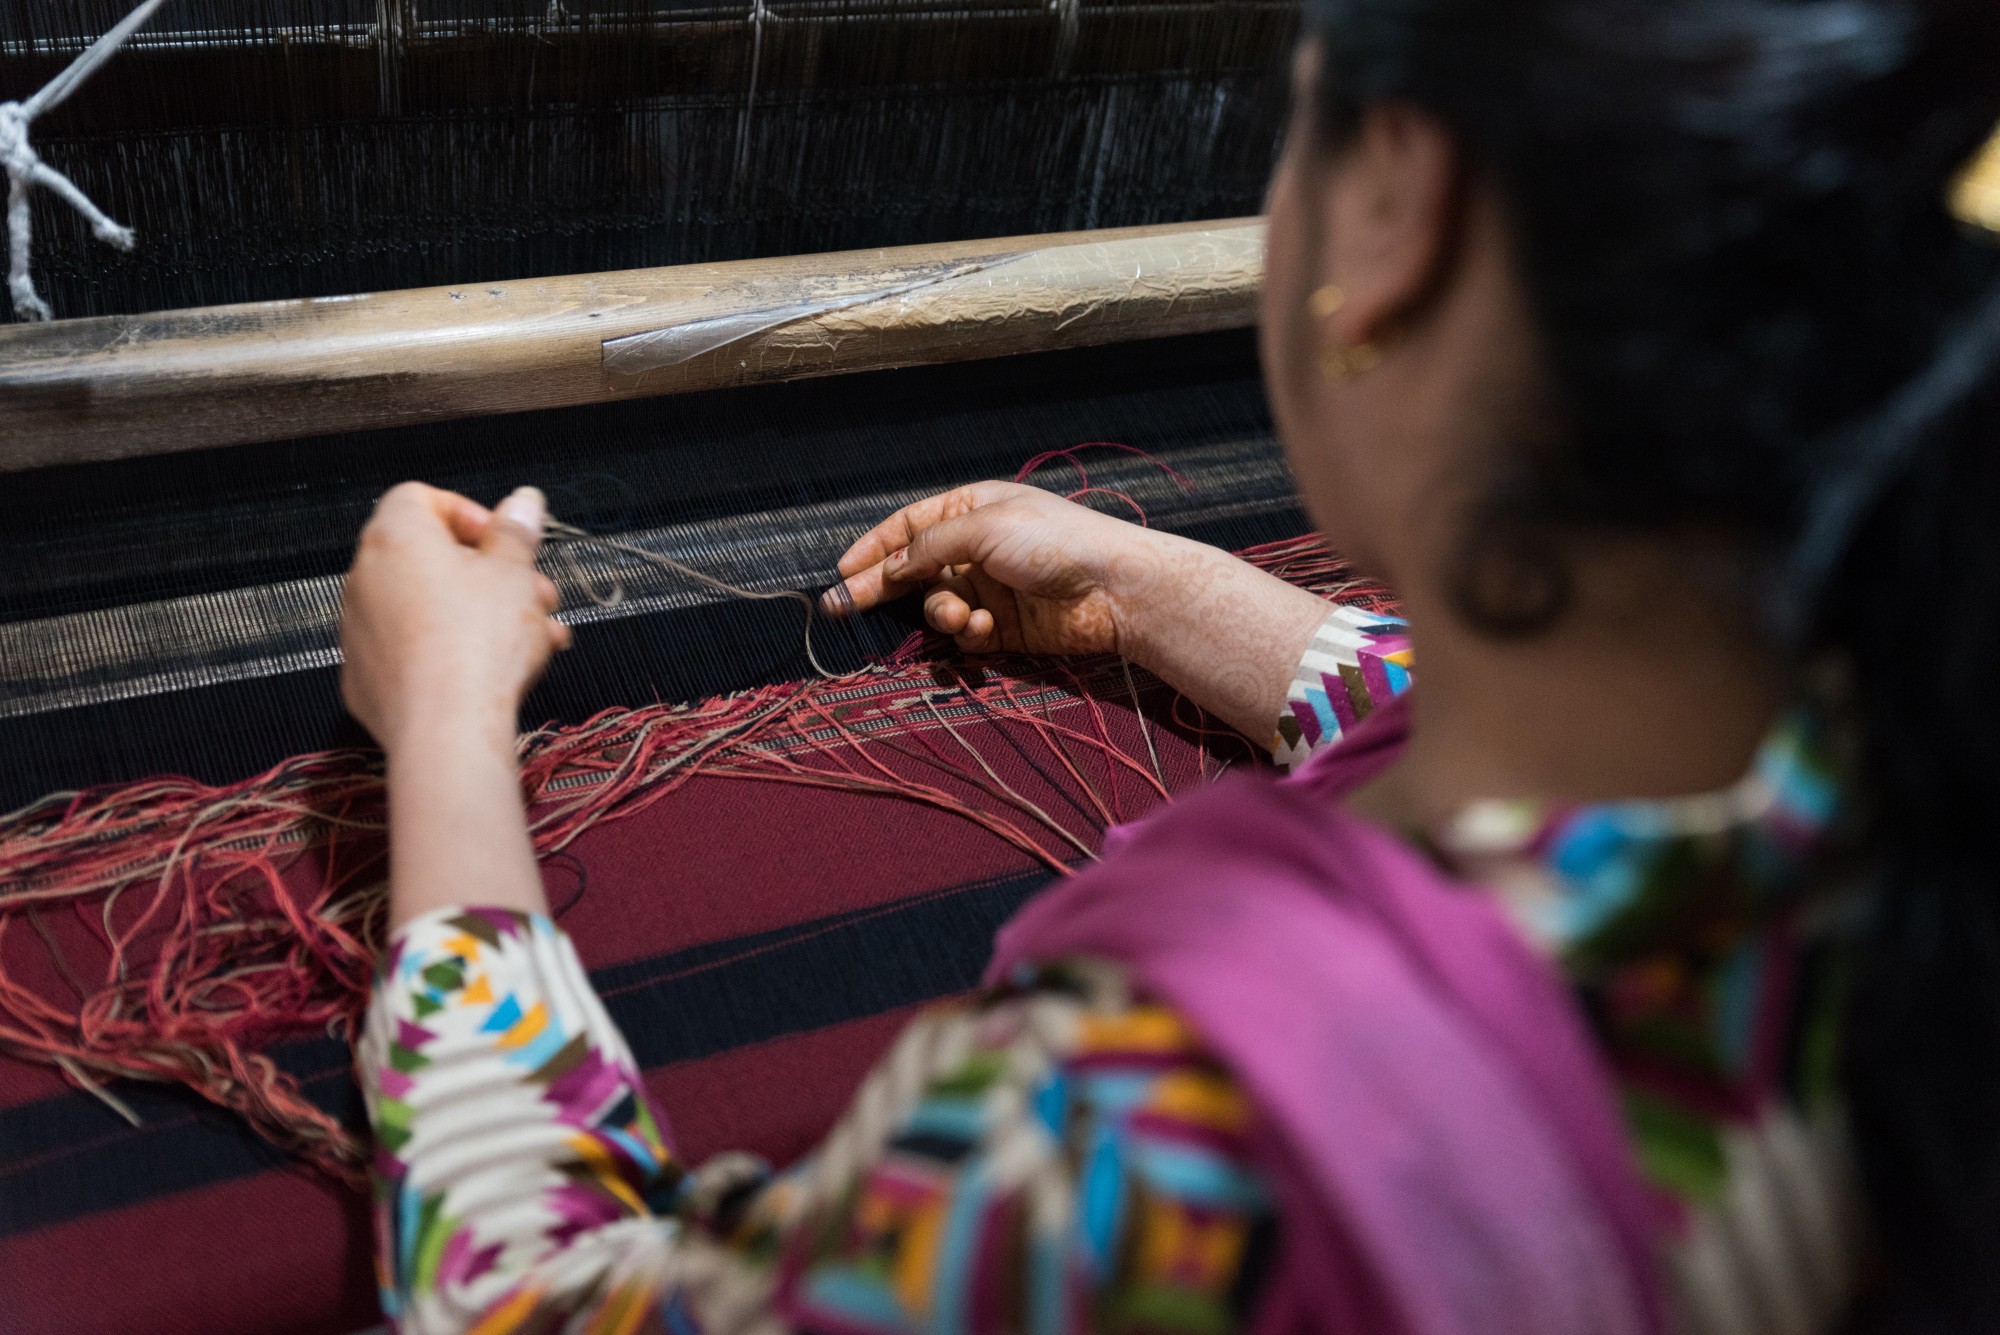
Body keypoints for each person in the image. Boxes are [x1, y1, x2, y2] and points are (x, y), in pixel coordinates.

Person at [336, 0, 2000, 1330]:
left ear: (1400, 213)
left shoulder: (1174, 1161)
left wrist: (444, 728)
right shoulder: (1902, 741)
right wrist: (1158, 592)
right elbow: (1587, 795)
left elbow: (541, 1305)